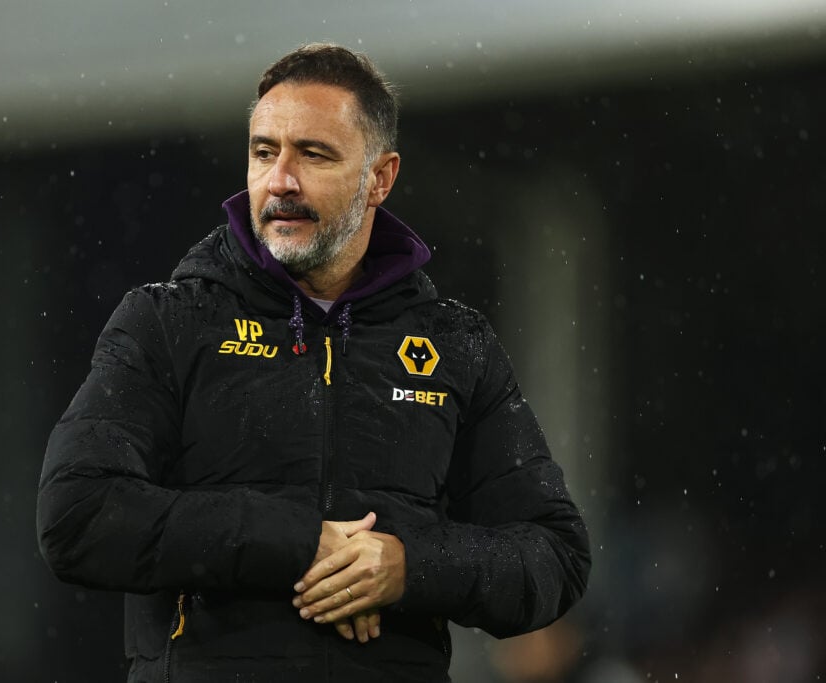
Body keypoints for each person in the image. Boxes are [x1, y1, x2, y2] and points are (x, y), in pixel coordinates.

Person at [37, 43, 590, 682]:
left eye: (314, 154)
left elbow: (555, 555)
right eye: (264, 152)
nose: (280, 181)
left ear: (379, 178)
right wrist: (301, 545)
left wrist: (408, 566)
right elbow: (78, 514)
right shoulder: (168, 322)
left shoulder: (456, 345)